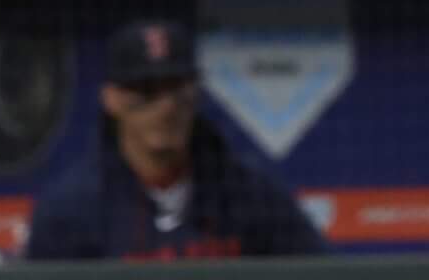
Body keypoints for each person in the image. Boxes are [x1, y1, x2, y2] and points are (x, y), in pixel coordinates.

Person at [25, 20, 324, 262]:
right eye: (146, 91)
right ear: (111, 99)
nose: (166, 107)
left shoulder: (249, 194)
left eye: (178, 90)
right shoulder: (71, 210)